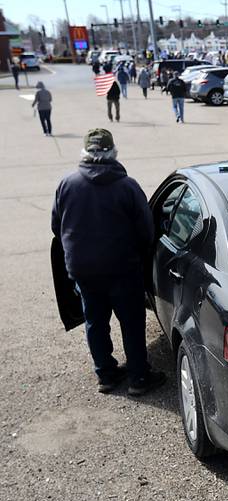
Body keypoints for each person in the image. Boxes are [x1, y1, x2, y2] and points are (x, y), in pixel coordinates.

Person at [51, 128, 165, 396]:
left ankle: (106, 375)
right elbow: (146, 231)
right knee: (132, 321)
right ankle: (139, 378)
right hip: (122, 268)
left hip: (83, 270)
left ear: (85, 153)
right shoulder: (127, 187)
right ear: (113, 152)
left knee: (95, 321)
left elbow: (56, 227)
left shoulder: (67, 184)